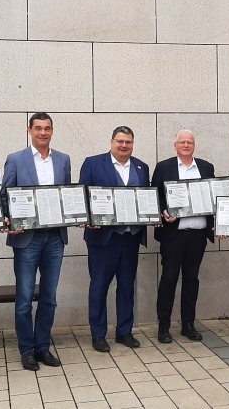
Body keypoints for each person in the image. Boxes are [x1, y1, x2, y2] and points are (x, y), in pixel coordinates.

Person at [2, 113, 71, 371]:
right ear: (29, 130)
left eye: (47, 128)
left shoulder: (63, 160)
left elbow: (67, 195)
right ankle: (26, 349)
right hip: (27, 239)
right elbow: (5, 194)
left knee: (49, 297)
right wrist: (10, 219)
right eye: (38, 128)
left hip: (55, 237)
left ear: (52, 131)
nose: (43, 132)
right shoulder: (16, 159)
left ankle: (42, 347)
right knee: (24, 299)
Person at [79, 126, 150, 352]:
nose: (124, 145)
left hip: (130, 237)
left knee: (127, 286)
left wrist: (153, 213)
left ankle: (124, 332)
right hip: (103, 238)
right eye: (120, 141)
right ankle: (98, 334)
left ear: (132, 144)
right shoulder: (93, 164)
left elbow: (146, 199)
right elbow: (83, 196)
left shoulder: (142, 167)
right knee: (99, 286)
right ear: (111, 142)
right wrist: (87, 217)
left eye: (128, 142)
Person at [151, 129, 216, 344]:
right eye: (182, 142)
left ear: (194, 145)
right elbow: (155, 196)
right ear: (175, 145)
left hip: (198, 234)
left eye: (190, 142)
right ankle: (164, 327)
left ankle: (188, 324)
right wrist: (163, 211)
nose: (186, 145)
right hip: (173, 235)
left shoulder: (206, 167)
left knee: (191, 279)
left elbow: (214, 197)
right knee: (169, 279)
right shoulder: (164, 167)